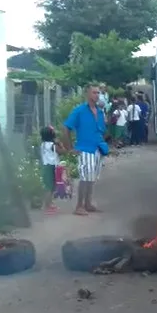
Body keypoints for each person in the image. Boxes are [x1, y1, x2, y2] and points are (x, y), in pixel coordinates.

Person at [63, 84, 109, 216]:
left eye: (98, 93)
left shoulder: (100, 112)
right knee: (85, 177)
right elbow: (66, 128)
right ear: (87, 94)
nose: (97, 95)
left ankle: (88, 204)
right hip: (84, 148)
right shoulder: (79, 111)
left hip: (97, 148)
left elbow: (102, 130)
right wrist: (69, 148)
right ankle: (79, 206)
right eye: (94, 92)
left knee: (92, 177)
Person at [40, 126, 63, 214]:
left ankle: (49, 203)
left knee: (49, 186)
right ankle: (47, 205)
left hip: (46, 166)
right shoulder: (53, 145)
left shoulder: (43, 144)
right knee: (50, 186)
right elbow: (62, 151)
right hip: (52, 166)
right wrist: (60, 144)